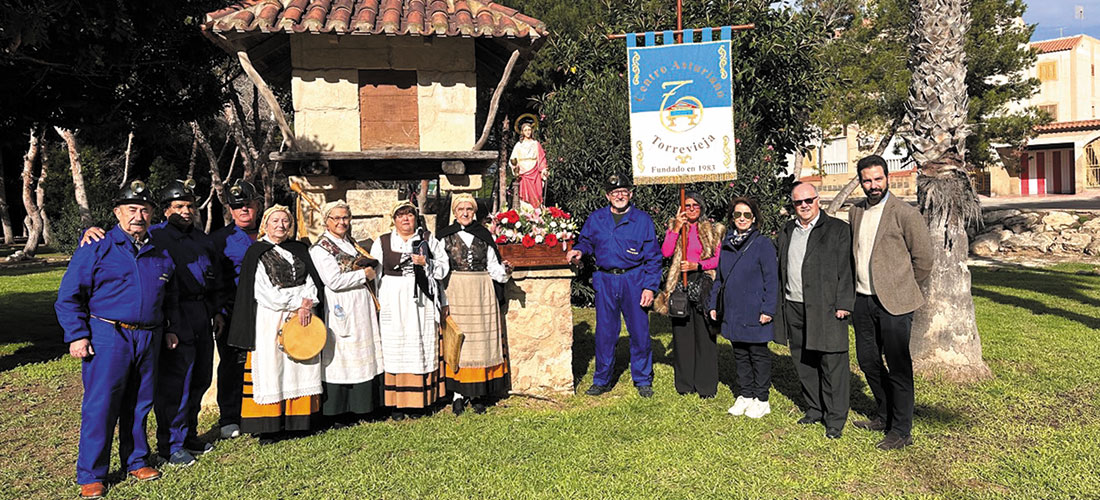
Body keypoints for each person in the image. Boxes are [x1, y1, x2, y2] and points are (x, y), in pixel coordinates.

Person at [56, 180, 178, 499]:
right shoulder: (96, 246)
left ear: (153, 214)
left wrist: (171, 328)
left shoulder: (160, 251)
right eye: (131, 209)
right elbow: (69, 296)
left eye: (144, 209)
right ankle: (92, 474)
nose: (138, 215)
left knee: (140, 403)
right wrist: (77, 335)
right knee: (102, 404)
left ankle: (136, 461)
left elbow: (170, 296)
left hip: (148, 337)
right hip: (109, 335)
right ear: (117, 212)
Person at [849, 154, 934, 450]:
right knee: (868, 361)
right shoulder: (856, 211)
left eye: (878, 179)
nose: (873, 185)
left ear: (887, 177)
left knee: (898, 367)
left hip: (895, 303)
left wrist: (902, 286)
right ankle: (883, 414)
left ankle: (901, 430)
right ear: (860, 181)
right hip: (862, 299)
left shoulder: (905, 213)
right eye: (867, 180)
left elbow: (924, 259)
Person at [226, 205, 325, 443]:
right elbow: (264, 292)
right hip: (271, 316)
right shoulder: (257, 253)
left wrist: (306, 304)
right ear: (266, 225)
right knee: (273, 365)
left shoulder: (299, 250)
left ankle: (298, 422)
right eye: (275, 221)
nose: (280, 225)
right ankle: (270, 426)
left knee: (301, 363)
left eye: (285, 221)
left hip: (303, 314)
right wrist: (296, 303)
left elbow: (312, 282)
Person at [566, 175, 662, 398]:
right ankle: (602, 379)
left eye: (624, 191)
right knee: (605, 333)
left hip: (634, 280)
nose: (620, 195)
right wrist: (580, 251)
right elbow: (586, 241)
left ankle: (643, 379)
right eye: (614, 192)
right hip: (606, 280)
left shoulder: (643, 220)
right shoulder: (597, 218)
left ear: (631, 194)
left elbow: (654, 258)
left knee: (639, 331)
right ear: (608, 196)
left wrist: (649, 287)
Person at [774, 183, 854, 440]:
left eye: (808, 199)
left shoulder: (838, 230)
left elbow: (847, 269)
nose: (804, 205)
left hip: (826, 307)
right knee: (804, 361)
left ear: (817, 200)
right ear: (793, 205)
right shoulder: (787, 230)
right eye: (798, 202)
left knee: (832, 363)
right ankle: (814, 408)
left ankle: (835, 418)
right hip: (794, 306)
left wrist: (844, 303)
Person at [148, 180, 221, 464]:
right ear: (165, 211)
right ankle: (170, 443)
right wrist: (88, 231)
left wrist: (216, 312)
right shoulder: (155, 237)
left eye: (190, 205)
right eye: (178, 206)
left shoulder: (203, 240)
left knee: (201, 377)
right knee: (177, 381)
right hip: (175, 314)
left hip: (202, 312)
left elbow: (215, 281)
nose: (186, 211)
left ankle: (190, 434)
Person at [308, 201, 385, 425]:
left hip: (361, 302)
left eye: (345, 218)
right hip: (341, 304)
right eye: (336, 218)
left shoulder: (349, 243)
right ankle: (340, 410)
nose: (342, 222)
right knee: (342, 354)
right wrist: (364, 275)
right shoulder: (321, 248)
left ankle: (365, 406)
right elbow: (332, 281)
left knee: (364, 350)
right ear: (327, 221)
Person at [370, 200, 449, 419]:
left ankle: (420, 401)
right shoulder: (383, 242)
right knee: (394, 346)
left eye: (410, 215)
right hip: (392, 300)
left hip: (421, 300)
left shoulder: (427, 239)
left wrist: (426, 263)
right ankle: (396, 403)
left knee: (420, 344)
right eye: (401, 215)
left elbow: (443, 268)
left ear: (416, 218)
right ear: (393, 220)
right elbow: (374, 275)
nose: (406, 219)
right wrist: (377, 303)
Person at [437, 194, 512, 415]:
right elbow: (440, 272)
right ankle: (458, 394)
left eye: (469, 208)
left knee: (481, 341)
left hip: (482, 291)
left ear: (475, 211)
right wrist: (443, 300)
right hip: (456, 289)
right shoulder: (444, 237)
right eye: (460, 209)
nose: (465, 212)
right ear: (454, 212)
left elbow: (494, 268)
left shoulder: (483, 235)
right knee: (460, 341)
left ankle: (478, 393)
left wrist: (506, 271)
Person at [707, 197, 778, 419]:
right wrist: (713, 304)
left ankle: (762, 398)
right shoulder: (727, 244)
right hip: (733, 310)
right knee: (739, 353)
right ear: (732, 218)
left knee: (757, 353)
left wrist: (768, 308)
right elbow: (719, 278)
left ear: (754, 218)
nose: (742, 219)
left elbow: (771, 279)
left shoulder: (762, 244)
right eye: (738, 215)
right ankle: (746, 394)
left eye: (747, 215)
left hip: (755, 309)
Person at [654, 191, 724, 398]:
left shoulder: (713, 230)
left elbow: (719, 259)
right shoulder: (677, 228)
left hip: (703, 282)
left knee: (705, 334)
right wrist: (675, 228)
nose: (691, 209)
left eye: (695, 205)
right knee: (682, 334)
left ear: (701, 208)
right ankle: (685, 384)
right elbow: (665, 252)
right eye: (687, 205)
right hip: (680, 284)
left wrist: (698, 264)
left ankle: (706, 385)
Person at [210, 179, 264, 439]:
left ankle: (262, 409)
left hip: (267, 311)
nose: (244, 210)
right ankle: (230, 416)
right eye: (238, 206)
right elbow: (214, 279)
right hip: (233, 312)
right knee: (232, 364)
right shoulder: (220, 240)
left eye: (248, 205)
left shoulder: (272, 233)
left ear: (257, 206)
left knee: (265, 361)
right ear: (230, 211)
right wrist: (218, 311)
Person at [509, 120, 548, 208]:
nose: (528, 132)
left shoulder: (535, 144)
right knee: (524, 196)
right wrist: (516, 168)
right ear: (522, 132)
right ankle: (526, 214)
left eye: (529, 130)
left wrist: (543, 169)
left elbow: (541, 158)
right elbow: (513, 159)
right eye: (525, 130)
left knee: (536, 194)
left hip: (534, 172)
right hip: (523, 173)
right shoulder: (519, 145)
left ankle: (537, 213)